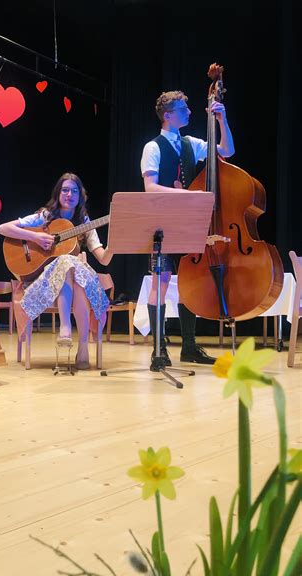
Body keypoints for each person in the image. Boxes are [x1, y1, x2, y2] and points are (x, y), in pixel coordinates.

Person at [140, 90, 235, 370]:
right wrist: (187, 196)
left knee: (190, 282)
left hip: (191, 223)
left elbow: (226, 151)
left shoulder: (191, 143)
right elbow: (150, 188)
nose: (190, 112)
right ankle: (159, 349)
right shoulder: (153, 147)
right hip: (163, 223)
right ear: (168, 116)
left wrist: (222, 119)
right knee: (162, 280)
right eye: (183, 109)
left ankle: (190, 346)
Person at [0, 172, 113, 369]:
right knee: (68, 263)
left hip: (77, 282)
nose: (69, 194)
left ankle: (70, 334)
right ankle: (79, 342)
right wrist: (35, 238)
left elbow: (103, 259)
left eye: (74, 191)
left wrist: (114, 245)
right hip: (45, 283)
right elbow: (3, 228)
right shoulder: (45, 217)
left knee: (72, 268)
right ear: (58, 194)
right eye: (65, 190)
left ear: (80, 196)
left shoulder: (85, 223)